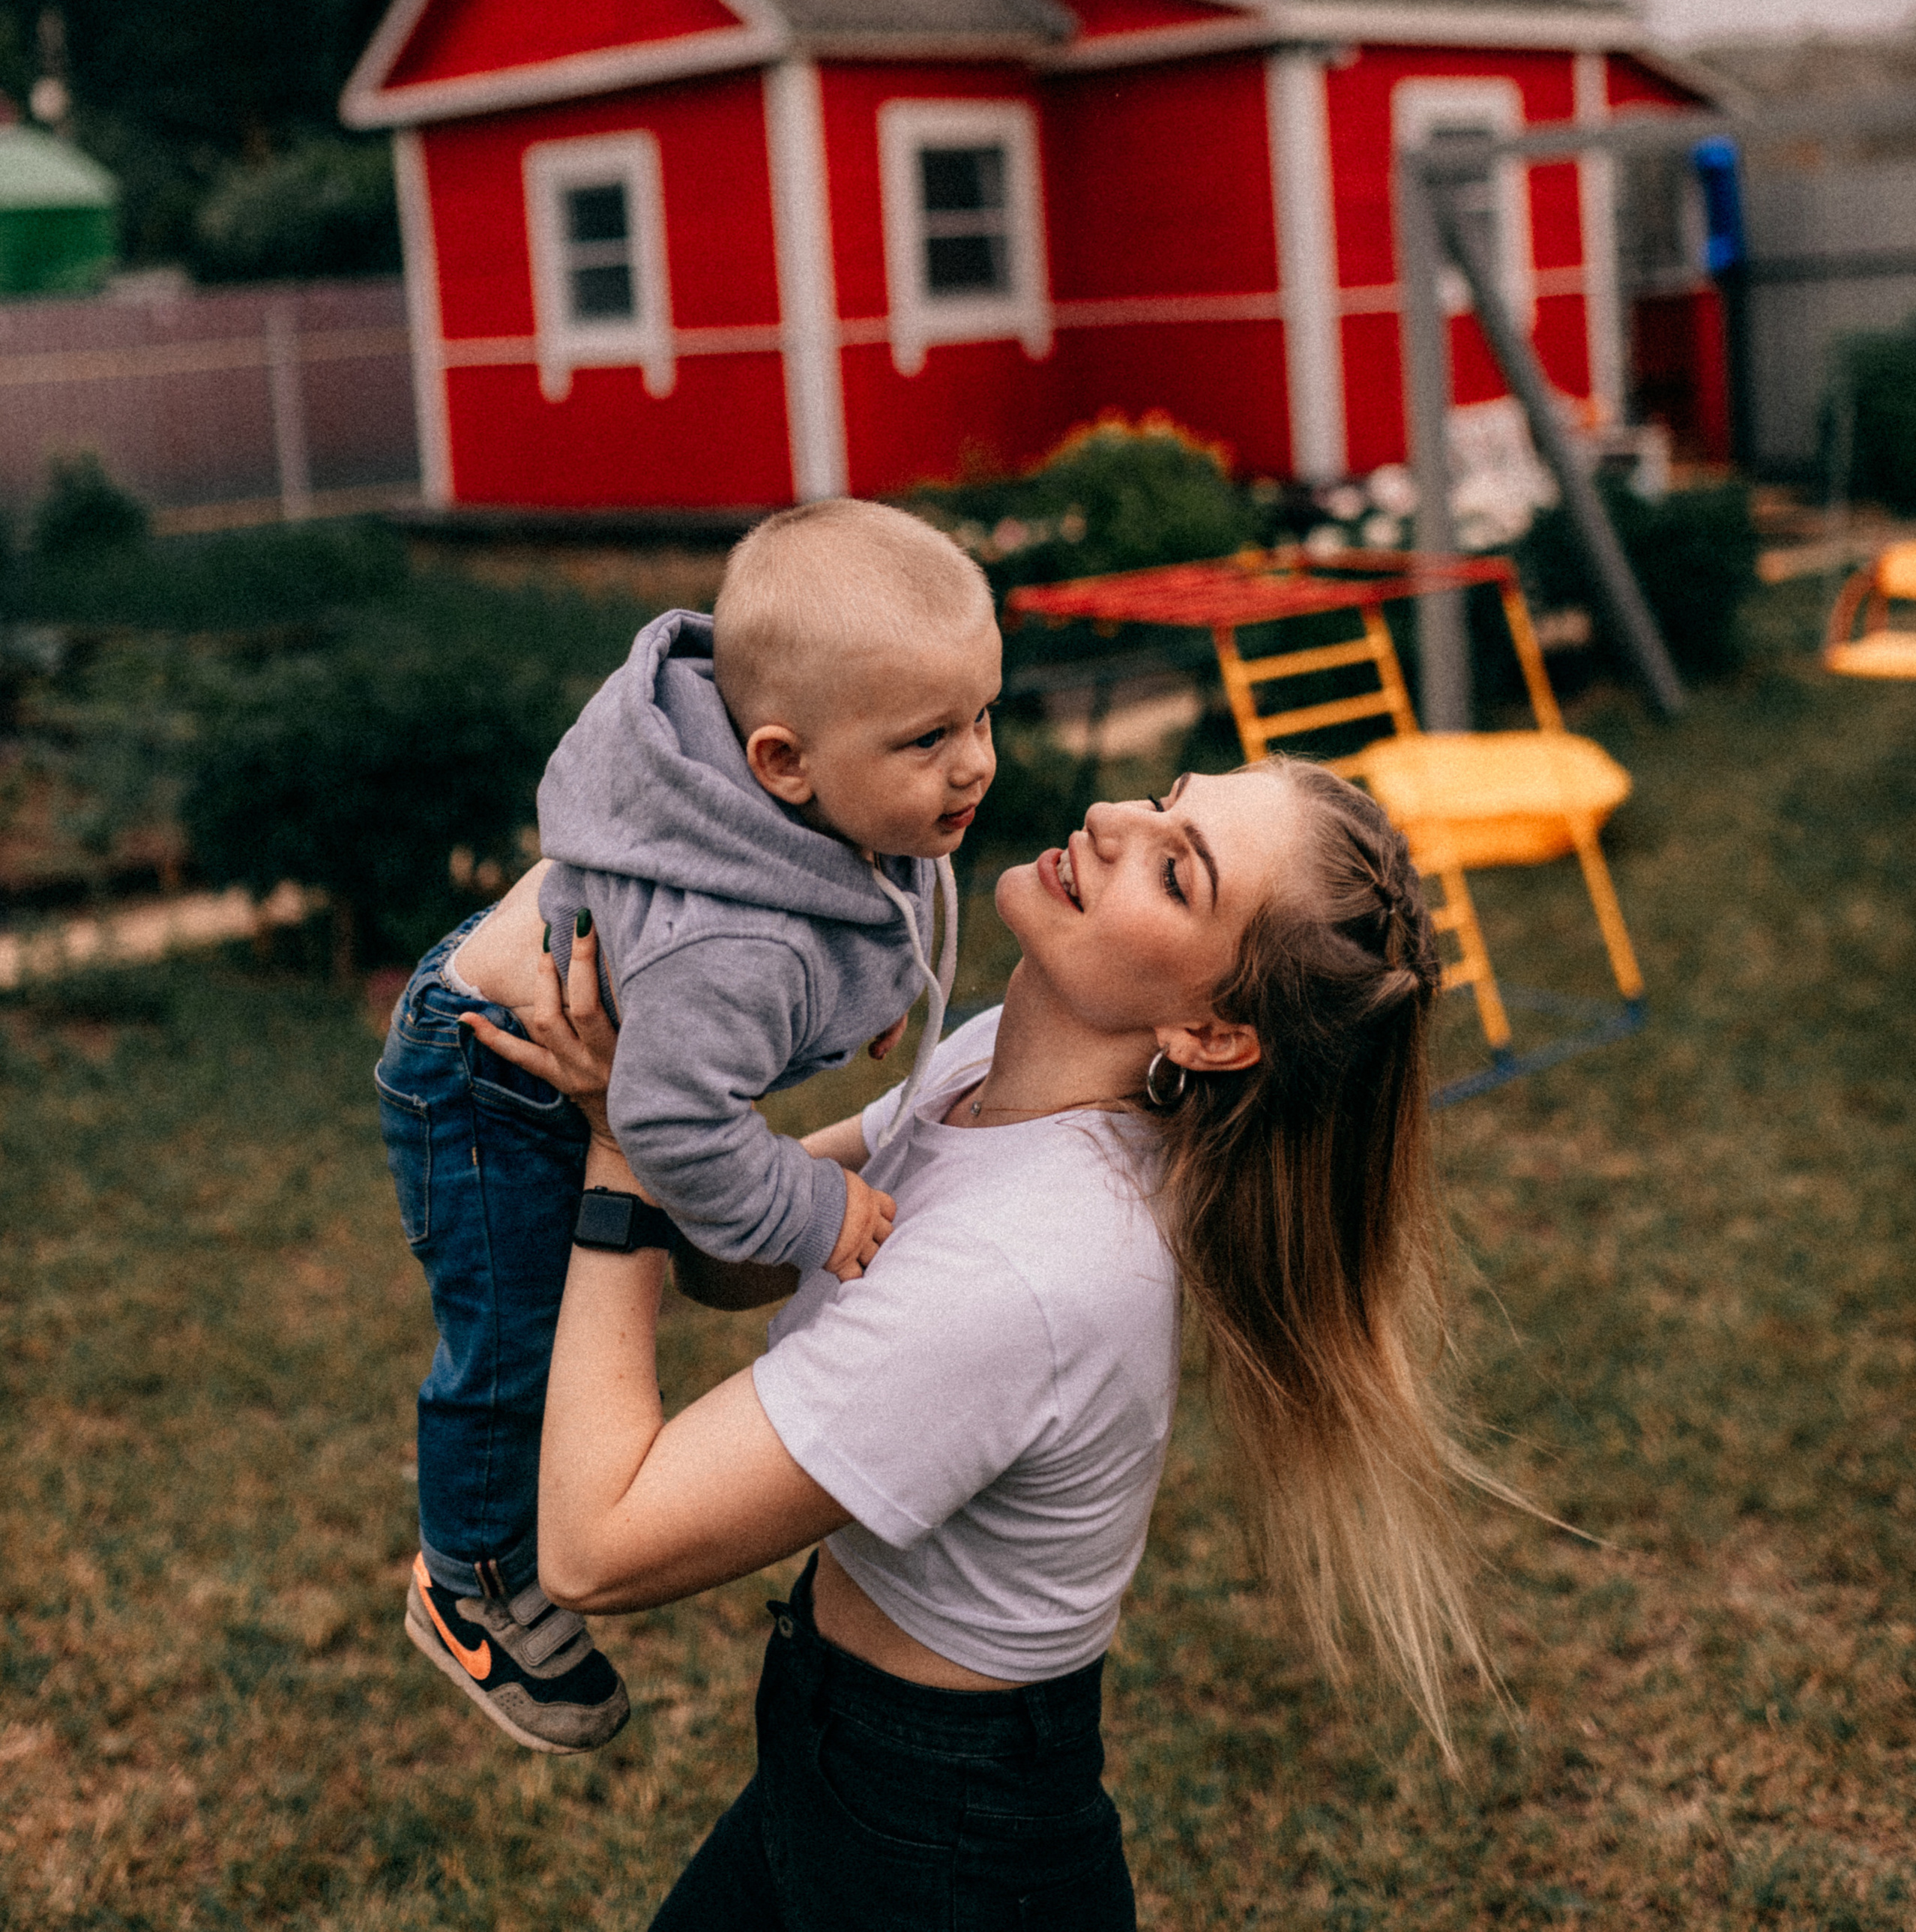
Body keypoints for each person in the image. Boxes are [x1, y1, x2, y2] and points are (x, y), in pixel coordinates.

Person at [463, 753, 1490, 1928]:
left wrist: (625, 1140)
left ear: (1209, 1031)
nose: (1111, 820)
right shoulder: (997, 1061)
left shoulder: (1034, 1271)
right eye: (1165, 800)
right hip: (841, 1758)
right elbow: (745, 1253)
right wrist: (675, 1075)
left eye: (1176, 870)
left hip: (947, 1850)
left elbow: (598, 1549)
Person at [375, 499, 1001, 1753]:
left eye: (985, 714)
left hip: (615, 1028)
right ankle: (470, 1581)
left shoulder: (859, 802)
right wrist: (819, 1208)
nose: (976, 763)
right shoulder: (738, 949)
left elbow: (898, 885)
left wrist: (879, 992)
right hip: (489, 1069)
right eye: (931, 737)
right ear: (780, 765)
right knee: (516, 1339)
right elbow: (672, 1125)